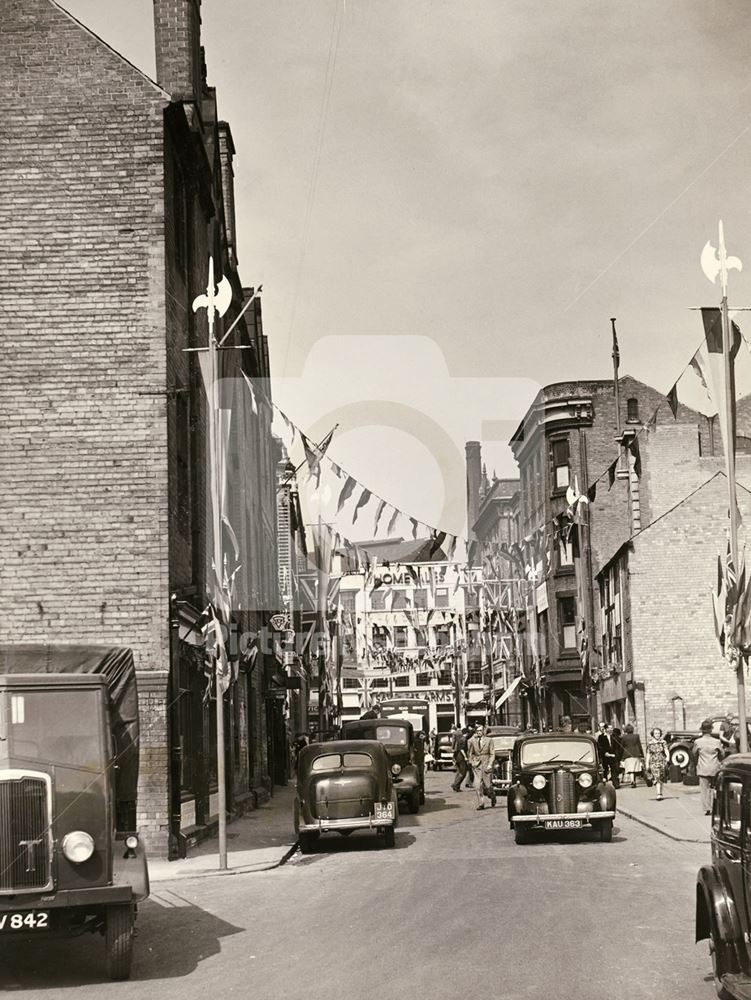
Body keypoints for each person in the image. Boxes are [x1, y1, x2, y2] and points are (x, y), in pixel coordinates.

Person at [692, 720, 722, 815]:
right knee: (715, 788)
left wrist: (697, 762)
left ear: (702, 730)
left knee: (704, 790)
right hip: (715, 768)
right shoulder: (717, 741)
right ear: (711, 730)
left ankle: (707, 809)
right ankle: (715, 807)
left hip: (703, 768)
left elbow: (694, 753)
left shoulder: (698, 742)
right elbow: (722, 753)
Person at [467, 723, 497, 810]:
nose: (479, 732)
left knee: (488, 785)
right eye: (478, 731)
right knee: (477, 785)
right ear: (476, 732)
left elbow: (492, 753)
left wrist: (490, 764)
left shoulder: (489, 740)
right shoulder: (473, 741)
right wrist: (472, 762)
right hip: (477, 765)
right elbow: (470, 753)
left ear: (483, 731)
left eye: (481, 730)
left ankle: (493, 795)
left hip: (486, 763)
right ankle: (481, 803)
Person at [645, 727, 670, 800]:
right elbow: (648, 754)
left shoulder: (663, 742)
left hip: (661, 761)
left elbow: (666, 750)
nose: (657, 735)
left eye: (658, 733)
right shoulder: (650, 743)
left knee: (661, 777)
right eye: (656, 733)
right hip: (653, 762)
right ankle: (659, 794)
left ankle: (660, 792)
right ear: (653, 734)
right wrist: (647, 763)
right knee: (657, 777)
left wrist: (668, 757)